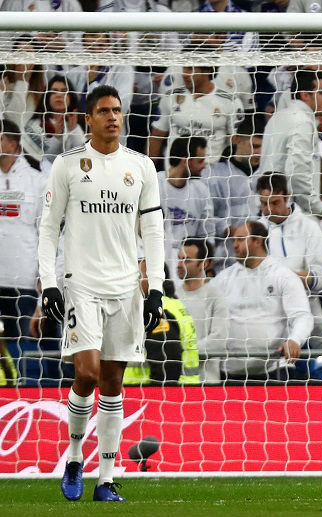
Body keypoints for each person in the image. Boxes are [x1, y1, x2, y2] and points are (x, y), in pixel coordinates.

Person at [37, 85, 165, 501]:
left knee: (112, 384)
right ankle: (74, 456)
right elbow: (47, 227)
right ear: (87, 118)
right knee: (87, 375)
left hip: (126, 287)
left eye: (118, 110)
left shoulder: (141, 166)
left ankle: (106, 480)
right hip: (82, 285)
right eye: (104, 111)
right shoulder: (68, 165)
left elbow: (153, 232)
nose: (113, 117)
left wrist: (155, 289)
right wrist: (49, 282)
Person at [257, 171, 322, 379]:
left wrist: (288, 278)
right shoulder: (257, 230)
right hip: (270, 304)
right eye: (263, 203)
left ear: (287, 198)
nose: (268, 209)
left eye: (275, 202)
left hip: (307, 300)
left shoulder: (309, 226)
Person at [212, 221, 313, 382]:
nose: (235, 245)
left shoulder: (283, 276)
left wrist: (295, 339)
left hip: (274, 369)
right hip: (230, 371)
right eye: (233, 241)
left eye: (240, 240)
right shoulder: (223, 279)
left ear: (257, 241)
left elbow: (302, 315)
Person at [259, 69, 322, 219]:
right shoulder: (302, 121)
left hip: (271, 209)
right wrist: (316, 206)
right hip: (293, 213)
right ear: (305, 95)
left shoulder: (278, 117)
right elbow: (297, 170)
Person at [0, 118, 45, 351]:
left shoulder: (36, 181)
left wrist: (41, 276)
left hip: (23, 282)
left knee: (23, 349)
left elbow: (45, 232)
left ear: (13, 143)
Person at [149, 56, 243, 166]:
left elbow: (236, 143)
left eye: (190, 68)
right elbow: (156, 137)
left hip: (211, 176)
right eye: (184, 68)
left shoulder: (230, 102)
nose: (185, 73)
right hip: (173, 175)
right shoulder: (171, 97)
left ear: (207, 70)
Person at [123, 262, 200, 385]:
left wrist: (157, 398)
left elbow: (167, 364)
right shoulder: (173, 304)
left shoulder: (159, 310)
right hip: (184, 389)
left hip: (158, 393)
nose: (134, 281)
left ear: (153, 277)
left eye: (138, 275)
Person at [203, 114, 264, 271]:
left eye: (263, 147)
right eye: (255, 146)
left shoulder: (268, 175)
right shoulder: (214, 175)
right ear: (236, 140)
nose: (259, 153)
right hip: (224, 264)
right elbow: (204, 218)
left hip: (260, 263)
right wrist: (227, 228)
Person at [159, 136, 215, 280]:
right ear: (185, 161)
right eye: (200, 160)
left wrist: (208, 269)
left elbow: (207, 235)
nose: (204, 165)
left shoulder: (201, 191)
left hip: (188, 265)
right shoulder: (154, 183)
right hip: (156, 260)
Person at [175, 238, 228, 382]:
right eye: (179, 259)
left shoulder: (216, 296)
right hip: (175, 381)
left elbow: (219, 340)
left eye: (186, 260)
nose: (179, 265)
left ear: (204, 263)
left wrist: (181, 352)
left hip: (207, 382)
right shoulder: (172, 297)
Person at [22, 76, 86, 165]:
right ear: (47, 97)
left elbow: (83, 157)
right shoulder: (34, 124)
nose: (59, 95)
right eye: (54, 91)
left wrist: (74, 130)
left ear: (71, 97)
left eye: (64, 91)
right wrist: (56, 138)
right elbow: (41, 160)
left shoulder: (79, 126)